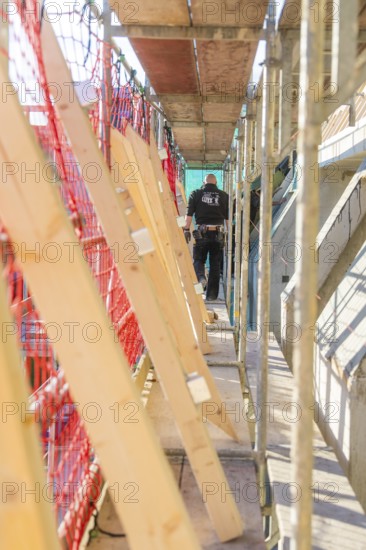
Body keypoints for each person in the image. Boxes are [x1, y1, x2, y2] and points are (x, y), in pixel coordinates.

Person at [183, 174, 229, 301]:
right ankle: (212, 296)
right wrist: (229, 234)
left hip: (202, 233)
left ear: (204, 183)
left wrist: (186, 229)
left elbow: (189, 215)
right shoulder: (224, 196)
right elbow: (228, 218)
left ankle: (201, 278)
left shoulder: (196, 194)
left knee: (199, 260)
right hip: (218, 234)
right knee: (215, 264)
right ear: (216, 183)